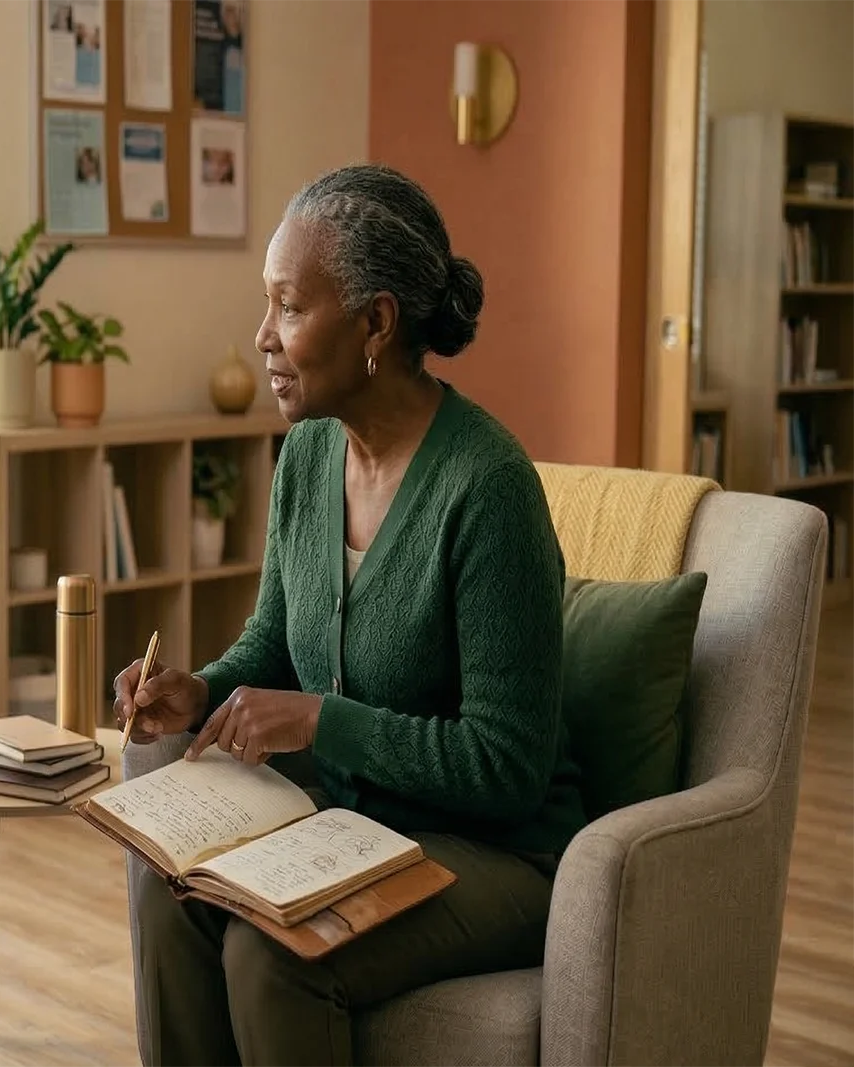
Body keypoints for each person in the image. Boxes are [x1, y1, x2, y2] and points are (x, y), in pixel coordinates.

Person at [113, 163, 587, 1066]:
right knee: (170, 899)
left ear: (376, 323)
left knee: (272, 951)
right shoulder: (306, 457)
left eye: (289, 308)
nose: (262, 338)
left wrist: (325, 724)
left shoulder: (488, 488)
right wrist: (203, 686)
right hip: (349, 823)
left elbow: (508, 766)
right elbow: (276, 642)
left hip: (495, 851)